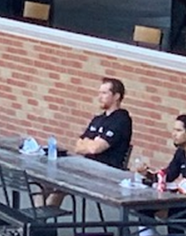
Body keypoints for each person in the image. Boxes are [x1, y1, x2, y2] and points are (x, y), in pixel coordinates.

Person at [45, 77, 132, 206]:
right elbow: (78, 147)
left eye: (104, 93)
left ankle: (42, 220)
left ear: (116, 96)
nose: (99, 97)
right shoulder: (98, 119)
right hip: (86, 165)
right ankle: (39, 217)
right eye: (99, 93)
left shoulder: (121, 119)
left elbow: (95, 149)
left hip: (105, 172)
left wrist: (90, 143)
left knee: (59, 182)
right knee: (45, 179)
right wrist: (91, 142)